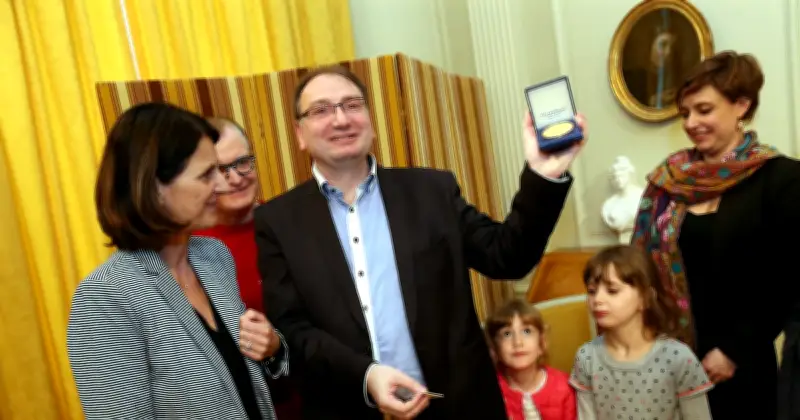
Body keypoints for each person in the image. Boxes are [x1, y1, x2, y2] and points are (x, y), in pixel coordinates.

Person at [254, 65, 587, 419]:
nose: (341, 119)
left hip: (454, 406)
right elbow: (292, 328)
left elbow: (507, 256)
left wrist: (544, 175)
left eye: (352, 105)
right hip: (347, 407)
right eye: (321, 110)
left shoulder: (431, 191)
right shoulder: (278, 221)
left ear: (369, 118)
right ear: (299, 133)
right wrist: (367, 375)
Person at [66, 103, 288, 420]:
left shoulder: (214, 257)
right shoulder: (107, 297)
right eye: (206, 174)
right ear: (154, 188)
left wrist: (273, 349)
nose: (222, 184)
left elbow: (247, 380)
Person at [631, 50, 800, 419]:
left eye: (704, 110)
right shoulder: (667, 183)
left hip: (742, 365)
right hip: (669, 364)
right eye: (685, 113)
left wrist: (733, 351)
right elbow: (637, 270)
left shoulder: (781, 178)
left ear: (741, 105)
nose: (691, 122)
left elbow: (786, 280)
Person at [194, 116, 303, 418]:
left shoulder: (292, 225)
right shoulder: (187, 251)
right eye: (220, 169)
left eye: (243, 162)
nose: (237, 177)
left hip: (314, 399)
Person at [570, 245, 713, 420]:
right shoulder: (587, 358)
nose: (597, 299)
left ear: (645, 298)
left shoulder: (678, 358)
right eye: (592, 292)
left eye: (612, 291)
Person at [485, 299, 576, 420]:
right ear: (495, 348)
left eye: (527, 331)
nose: (518, 342)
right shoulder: (489, 391)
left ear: (541, 343)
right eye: (507, 334)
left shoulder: (564, 387)